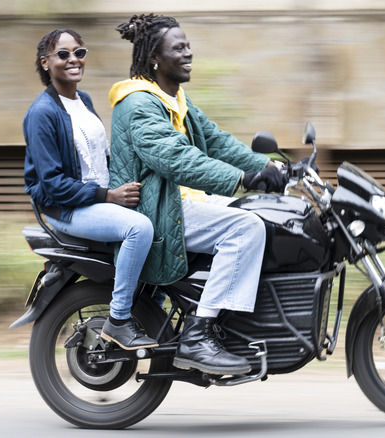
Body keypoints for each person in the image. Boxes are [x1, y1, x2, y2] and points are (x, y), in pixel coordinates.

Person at [108, 14, 287, 375]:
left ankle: (233, 321)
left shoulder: (174, 99)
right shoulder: (138, 104)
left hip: (184, 200)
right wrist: (243, 178)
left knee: (265, 213)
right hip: (158, 207)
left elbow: (217, 141)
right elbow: (176, 159)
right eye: (179, 47)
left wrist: (271, 167)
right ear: (154, 58)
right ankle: (199, 334)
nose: (189, 52)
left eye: (188, 45)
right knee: (246, 228)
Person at [23, 29, 157, 350]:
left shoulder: (83, 100)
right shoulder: (42, 114)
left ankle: (157, 307)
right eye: (63, 54)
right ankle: (119, 321)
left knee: (165, 216)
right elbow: (53, 185)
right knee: (138, 229)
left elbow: (101, 157)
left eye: (79, 53)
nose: (74, 60)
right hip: (66, 209)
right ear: (46, 63)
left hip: (96, 201)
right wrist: (108, 196)